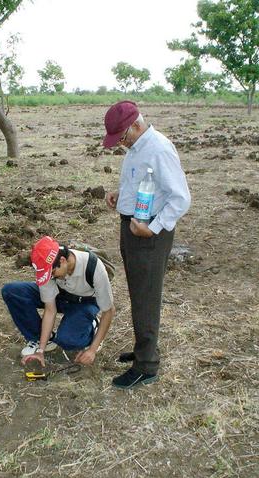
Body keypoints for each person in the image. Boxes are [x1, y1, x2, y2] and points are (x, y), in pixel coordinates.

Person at [102, 100, 190, 389]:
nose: (121, 144)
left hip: (148, 235)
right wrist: (120, 195)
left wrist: (151, 229)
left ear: (136, 125)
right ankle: (144, 349)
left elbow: (180, 198)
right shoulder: (137, 149)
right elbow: (140, 183)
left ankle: (147, 366)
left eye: (122, 138)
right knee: (139, 293)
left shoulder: (159, 149)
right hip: (133, 227)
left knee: (146, 297)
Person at [1, 236, 115, 367]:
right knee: (13, 291)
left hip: (84, 303)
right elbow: (50, 310)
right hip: (61, 296)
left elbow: (109, 310)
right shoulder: (49, 269)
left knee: (68, 341)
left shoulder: (94, 267)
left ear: (62, 260)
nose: (51, 277)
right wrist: (41, 351)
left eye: (53, 272)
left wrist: (92, 350)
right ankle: (39, 339)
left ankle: (92, 328)